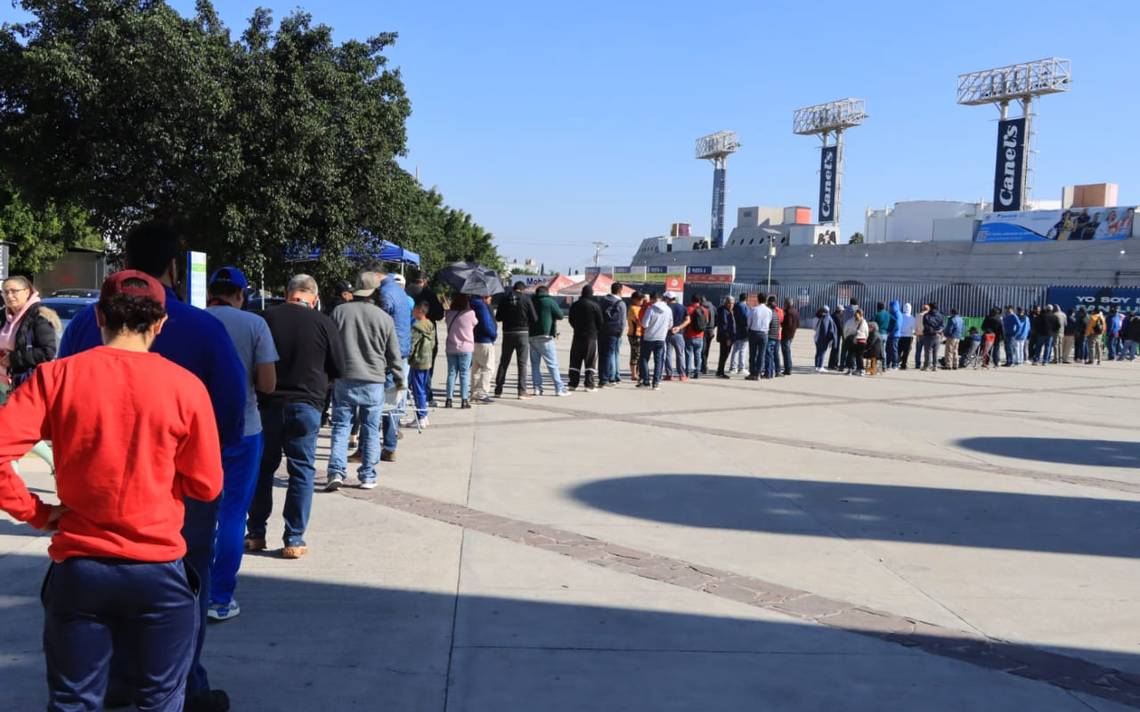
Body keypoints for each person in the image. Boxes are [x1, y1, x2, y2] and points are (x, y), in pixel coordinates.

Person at [0, 270, 223, 712]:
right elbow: (207, 483)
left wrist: (37, 512)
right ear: (160, 324)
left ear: (98, 315)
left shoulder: (54, 377)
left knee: (72, 701)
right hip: (158, 568)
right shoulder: (186, 387)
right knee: (159, 702)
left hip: (81, 568)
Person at [58, 222, 245, 712]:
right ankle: (186, 686)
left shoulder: (85, 325)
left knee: (100, 589)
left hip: (96, 492)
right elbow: (228, 414)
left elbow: (59, 404)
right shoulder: (205, 328)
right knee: (186, 587)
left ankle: (115, 684)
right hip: (178, 495)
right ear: (173, 268)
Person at [250, 274, 345, 559]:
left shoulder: (266, 318)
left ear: (287, 293)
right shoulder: (324, 322)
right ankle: (294, 538)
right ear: (313, 299)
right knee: (302, 471)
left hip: (268, 404)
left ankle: (255, 533)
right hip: (306, 405)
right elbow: (339, 367)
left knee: (263, 469)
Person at [204, 267, 279, 623]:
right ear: (241, 294)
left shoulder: (190, 323)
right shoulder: (254, 325)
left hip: (194, 432)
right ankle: (219, 598)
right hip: (243, 429)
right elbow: (267, 384)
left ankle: (188, 591)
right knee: (233, 515)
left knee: (195, 514)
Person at [326, 272, 401, 491]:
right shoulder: (384, 318)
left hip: (345, 376)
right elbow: (393, 353)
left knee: (341, 426)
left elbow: (329, 344)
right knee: (370, 428)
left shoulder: (339, 312)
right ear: (375, 292)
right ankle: (367, 475)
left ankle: (336, 472)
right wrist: (398, 378)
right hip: (373, 379)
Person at [0, 275, 58, 472]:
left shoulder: (39, 316)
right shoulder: (5, 317)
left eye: (14, 291)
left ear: (28, 292)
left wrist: (15, 358)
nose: (9, 295)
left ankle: (11, 480)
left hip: (27, 383)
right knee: (13, 432)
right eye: (5, 291)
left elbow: (48, 351)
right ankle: (53, 463)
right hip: (5, 381)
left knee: (11, 433)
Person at [374, 267, 411, 463]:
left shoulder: (386, 293)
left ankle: (378, 446)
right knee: (393, 401)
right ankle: (389, 445)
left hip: (388, 354)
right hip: (401, 351)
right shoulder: (399, 291)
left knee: (381, 402)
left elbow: (379, 323)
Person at [494, 281, 538, 399]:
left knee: (504, 361)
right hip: (522, 333)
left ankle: (498, 389)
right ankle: (521, 391)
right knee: (522, 363)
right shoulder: (526, 299)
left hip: (508, 333)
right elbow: (534, 318)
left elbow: (498, 317)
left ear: (514, 288)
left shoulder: (504, 299)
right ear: (522, 290)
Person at [405, 276, 444, 403]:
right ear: (425, 281)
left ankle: (408, 394)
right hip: (428, 334)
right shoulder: (430, 295)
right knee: (427, 368)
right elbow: (439, 314)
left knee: (408, 368)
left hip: (408, 331)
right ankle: (426, 395)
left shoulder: (405, 292)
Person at [529, 285, 570, 396]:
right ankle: (559, 388)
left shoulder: (531, 301)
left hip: (531, 336)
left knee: (535, 365)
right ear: (546, 292)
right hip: (545, 337)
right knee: (552, 364)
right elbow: (560, 315)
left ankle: (537, 388)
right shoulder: (549, 301)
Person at [444, 293, 477, 408]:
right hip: (466, 347)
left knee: (451, 373)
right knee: (464, 374)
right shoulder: (470, 313)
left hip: (451, 347)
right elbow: (475, 323)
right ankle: (464, 400)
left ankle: (449, 399)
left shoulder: (448, 313)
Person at [568, 284, 604, 391]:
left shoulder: (575, 305)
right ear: (591, 293)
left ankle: (572, 384)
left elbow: (571, 320)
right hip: (591, 337)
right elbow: (600, 322)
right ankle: (589, 384)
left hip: (577, 335)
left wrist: (576, 327)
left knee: (575, 360)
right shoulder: (595, 305)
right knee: (590, 360)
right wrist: (595, 330)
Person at [408, 302, 436, 426]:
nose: (412, 312)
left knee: (417, 389)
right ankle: (424, 416)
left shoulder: (417, 327)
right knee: (423, 388)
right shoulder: (430, 325)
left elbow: (411, 345)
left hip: (418, 361)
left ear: (419, 311)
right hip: (428, 360)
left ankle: (421, 416)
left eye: (414, 309)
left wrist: (407, 356)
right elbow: (433, 343)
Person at [637, 292, 671, 389]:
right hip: (661, 338)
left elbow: (645, 324)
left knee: (643, 358)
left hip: (648, 338)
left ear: (652, 299)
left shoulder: (650, 309)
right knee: (659, 360)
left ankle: (646, 380)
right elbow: (670, 324)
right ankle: (656, 382)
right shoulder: (668, 309)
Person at [470, 294, 498, 404]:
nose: (491, 299)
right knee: (488, 367)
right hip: (485, 340)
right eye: (489, 296)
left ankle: (474, 392)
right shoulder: (481, 306)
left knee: (476, 368)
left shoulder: (471, 304)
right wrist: (493, 335)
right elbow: (486, 324)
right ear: (484, 296)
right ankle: (481, 393)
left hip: (473, 339)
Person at [598, 282, 627, 386]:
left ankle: (602, 377)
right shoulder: (621, 303)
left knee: (601, 354)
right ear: (620, 291)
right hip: (614, 332)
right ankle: (611, 377)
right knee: (611, 354)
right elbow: (623, 321)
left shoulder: (603, 301)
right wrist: (620, 332)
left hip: (601, 331)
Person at [745, 293, 772, 381]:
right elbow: (770, 321)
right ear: (766, 300)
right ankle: (758, 374)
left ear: (758, 300)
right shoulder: (769, 311)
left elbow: (749, 321)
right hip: (764, 334)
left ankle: (752, 373)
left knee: (753, 354)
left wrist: (748, 329)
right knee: (761, 354)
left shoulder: (754, 309)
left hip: (754, 333)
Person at [683, 293, 709, 379]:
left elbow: (685, 321)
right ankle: (697, 371)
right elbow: (707, 322)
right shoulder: (705, 310)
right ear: (700, 300)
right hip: (700, 336)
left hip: (689, 335)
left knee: (688, 354)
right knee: (698, 354)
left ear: (691, 300)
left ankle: (687, 372)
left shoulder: (688, 309)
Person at [663, 292, 688, 381]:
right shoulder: (682, 307)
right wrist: (679, 327)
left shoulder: (666, 308)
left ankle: (669, 375)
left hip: (667, 333)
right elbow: (688, 320)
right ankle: (682, 375)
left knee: (668, 354)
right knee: (680, 354)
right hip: (679, 334)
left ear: (667, 298)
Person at [715, 296, 737, 378]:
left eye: (732, 303)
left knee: (725, 354)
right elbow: (724, 326)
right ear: (725, 303)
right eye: (729, 303)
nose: (731, 305)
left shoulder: (729, 311)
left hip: (729, 337)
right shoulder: (723, 311)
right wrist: (728, 338)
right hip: (726, 337)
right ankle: (720, 371)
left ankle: (720, 371)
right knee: (724, 354)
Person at [843, 308, 869, 376]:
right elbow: (866, 333)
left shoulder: (849, 321)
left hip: (852, 340)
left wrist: (847, 338)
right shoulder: (864, 322)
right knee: (860, 356)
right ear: (862, 314)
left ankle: (850, 370)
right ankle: (861, 370)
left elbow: (845, 330)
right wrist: (865, 339)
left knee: (851, 355)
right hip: (862, 341)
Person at [627, 291, 645, 384]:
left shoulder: (639, 308)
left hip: (639, 334)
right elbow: (639, 322)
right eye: (640, 299)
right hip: (634, 334)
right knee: (635, 354)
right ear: (635, 300)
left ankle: (636, 373)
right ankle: (634, 374)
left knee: (638, 354)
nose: (642, 301)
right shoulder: (633, 309)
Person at [814, 306, 839, 372]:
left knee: (818, 352)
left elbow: (816, 327)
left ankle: (817, 366)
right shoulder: (827, 317)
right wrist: (829, 338)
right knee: (822, 352)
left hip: (817, 337)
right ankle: (820, 366)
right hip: (822, 338)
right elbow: (827, 329)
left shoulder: (820, 317)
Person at [921, 303, 944, 372]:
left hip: (929, 335)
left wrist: (932, 331)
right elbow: (942, 326)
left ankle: (927, 366)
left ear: (930, 307)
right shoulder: (940, 316)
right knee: (936, 352)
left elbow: (925, 325)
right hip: (938, 336)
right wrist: (938, 331)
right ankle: (935, 366)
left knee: (928, 351)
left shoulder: (926, 315)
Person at [730, 292, 750, 374]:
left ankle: (733, 367)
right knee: (742, 350)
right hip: (743, 331)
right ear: (746, 298)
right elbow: (746, 318)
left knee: (736, 349)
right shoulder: (743, 306)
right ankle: (741, 368)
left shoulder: (736, 306)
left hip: (737, 330)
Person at [765, 295, 783, 379]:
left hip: (770, 335)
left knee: (769, 354)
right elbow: (781, 321)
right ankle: (776, 371)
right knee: (774, 354)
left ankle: (768, 372)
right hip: (777, 335)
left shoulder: (769, 311)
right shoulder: (779, 311)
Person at [781, 298, 799, 376]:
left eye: (784, 303)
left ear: (787, 304)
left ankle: (787, 369)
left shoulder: (788, 312)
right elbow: (798, 324)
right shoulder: (795, 311)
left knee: (786, 352)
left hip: (786, 334)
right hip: (792, 334)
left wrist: (781, 323)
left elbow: (788, 324)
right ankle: (789, 367)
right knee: (788, 351)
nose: (783, 305)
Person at [897, 303, 916, 370]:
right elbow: (914, 328)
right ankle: (903, 364)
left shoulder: (900, 316)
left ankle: (896, 363)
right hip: (908, 336)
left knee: (899, 350)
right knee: (906, 352)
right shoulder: (912, 318)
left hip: (900, 336)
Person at [885, 300, 902, 370]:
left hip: (894, 335)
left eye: (891, 306)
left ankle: (895, 364)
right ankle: (888, 363)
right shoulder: (894, 313)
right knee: (889, 350)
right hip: (892, 335)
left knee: (894, 350)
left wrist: (889, 331)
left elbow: (897, 325)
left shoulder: (897, 314)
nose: (889, 308)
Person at [828, 304, 845, 371]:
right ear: (839, 311)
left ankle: (831, 364)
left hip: (833, 335)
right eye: (842, 311)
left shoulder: (832, 315)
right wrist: (843, 334)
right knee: (836, 350)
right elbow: (839, 327)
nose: (842, 312)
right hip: (836, 335)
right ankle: (834, 364)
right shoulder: (837, 317)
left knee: (834, 350)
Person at [913, 303, 928, 370]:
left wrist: (916, 333)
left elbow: (915, 326)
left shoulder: (918, 315)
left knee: (918, 351)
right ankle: (926, 364)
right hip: (926, 335)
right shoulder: (928, 316)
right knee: (926, 351)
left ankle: (917, 364)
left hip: (919, 335)